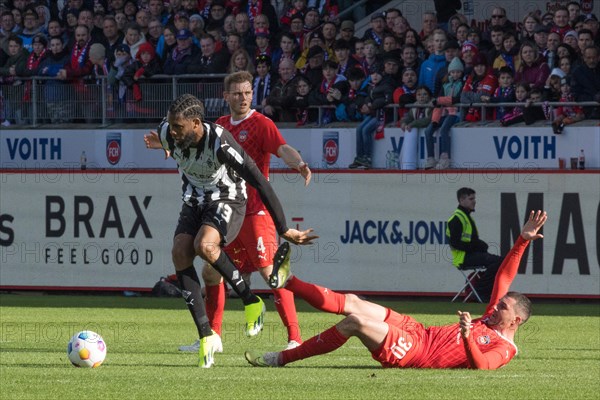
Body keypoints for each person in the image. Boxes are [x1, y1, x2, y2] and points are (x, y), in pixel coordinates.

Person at [246, 210, 547, 370]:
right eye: (499, 304)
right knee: (353, 302)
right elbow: (504, 278)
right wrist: (521, 240)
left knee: (355, 323)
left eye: (503, 308)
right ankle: (288, 281)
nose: (495, 307)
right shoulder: (491, 317)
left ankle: (282, 359)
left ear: (516, 321)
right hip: (419, 331)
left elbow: (482, 367)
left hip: (416, 353)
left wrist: (468, 337)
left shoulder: (505, 349)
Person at [143, 94, 316, 368]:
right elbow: (169, 139)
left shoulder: (221, 142)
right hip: (193, 200)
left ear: (197, 123)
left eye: (178, 127)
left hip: (228, 199)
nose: (172, 131)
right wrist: (162, 143)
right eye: (170, 127)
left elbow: (260, 182)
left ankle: (250, 300)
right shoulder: (169, 132)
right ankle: (206, 335)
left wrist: (284, 229)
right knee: (179, 253)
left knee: (205, 246)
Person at [178, 71, 312, 354]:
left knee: (270, 273)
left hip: (255, 212)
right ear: (225, 96)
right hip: (226, 212)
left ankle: (295, 338)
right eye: (237, 93)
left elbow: (282, 148)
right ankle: (212, 337)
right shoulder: (220, 126)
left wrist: (298, 163)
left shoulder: (261, 124)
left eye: (248, 93)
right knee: (211, 273)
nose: (243, 98)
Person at [446, 188, 503, 302]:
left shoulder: (465, 217)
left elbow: (471, 241)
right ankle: (480, 292)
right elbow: (456, 243)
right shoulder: (457, 218)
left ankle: (480, 290)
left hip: (470, 255)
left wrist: (479, 246)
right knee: (499, 261)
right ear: (462, 200)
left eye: (474, 198)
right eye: (471, 198)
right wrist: (477, 246)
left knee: (500, 261)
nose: (474, 201)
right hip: (463, 258)